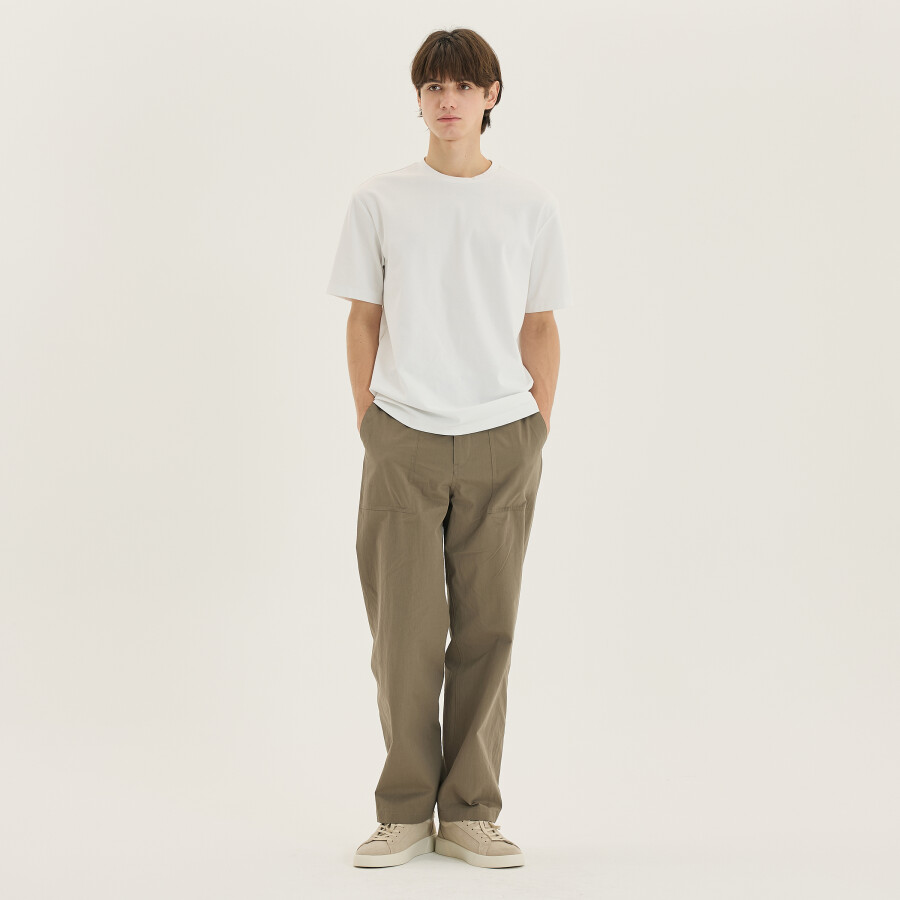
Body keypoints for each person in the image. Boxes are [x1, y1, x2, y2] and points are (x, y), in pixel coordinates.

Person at [325, 28, 574, 869]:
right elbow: (363, 318)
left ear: (491, 96)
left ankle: (470, 811)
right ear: (419, 98)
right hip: (404, 435)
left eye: (462, 85)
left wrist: (536, 424)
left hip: (504, 435)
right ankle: (402, 810)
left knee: (487, 632)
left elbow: (540, 325)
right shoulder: (380, 199)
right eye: (432, 85)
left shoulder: (529, 204)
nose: (446, 100)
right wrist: (371, 420)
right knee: (403, 635)